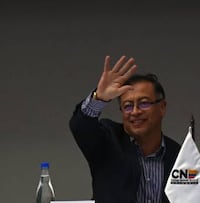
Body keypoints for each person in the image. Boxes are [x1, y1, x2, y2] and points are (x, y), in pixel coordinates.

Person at [69, 56, 181, 203]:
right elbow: (81, 126)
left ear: (162, 108)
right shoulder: (109, 142)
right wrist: (99, 99)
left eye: (144, 103)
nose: (135, 112)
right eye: (128, 106)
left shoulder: (179, 156)